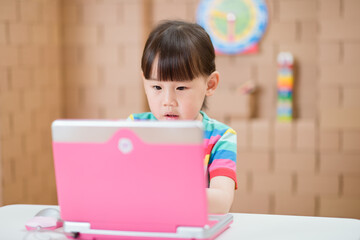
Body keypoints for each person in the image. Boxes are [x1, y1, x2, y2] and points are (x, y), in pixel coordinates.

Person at [128, 20, 237, 214]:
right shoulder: (133, 129)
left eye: (181, 88)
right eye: (157, 87)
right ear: (144, 81)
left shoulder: (220, 138)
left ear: (210, 84)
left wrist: (161, 189)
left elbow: (221, 203)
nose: (168, 101)